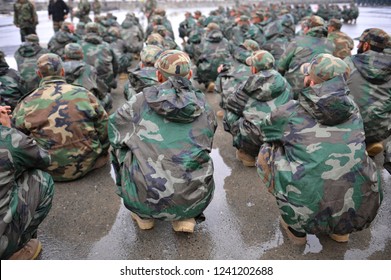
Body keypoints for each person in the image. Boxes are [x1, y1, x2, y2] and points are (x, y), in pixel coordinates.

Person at [256, 53, 382, 245]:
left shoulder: (290, 111)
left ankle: (296, 228)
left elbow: (264, 132)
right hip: (356, 211)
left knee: (268, 149)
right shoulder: (354, 110)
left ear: (311, 80)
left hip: (304, 211)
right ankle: (341, 229)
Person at [109, 50, 217, 233]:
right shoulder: (204, 106)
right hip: (193, 199)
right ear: (190, 75)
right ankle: (185, 215)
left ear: (158, 75)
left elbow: (114, 131)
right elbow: (208, 141)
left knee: (120, 148)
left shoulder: (139, 101)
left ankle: (144, 214)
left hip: (145, 197)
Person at [12, 53, 110, 182]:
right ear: (62, 71)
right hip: (89, 163)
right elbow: (104, 125)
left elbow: (17, 137)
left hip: (50, 170)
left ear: (39, 74)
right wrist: (103, 150)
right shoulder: (84, 93)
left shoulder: (26, 103)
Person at [0, 105, 54, 260]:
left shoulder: (26, 101)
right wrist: (8, 129)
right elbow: (45, 160)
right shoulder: (8, 139)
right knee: (41, 178)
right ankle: (15, 250)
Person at [223, 50, 293, 167]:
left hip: (255, 135)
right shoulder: (286, 84)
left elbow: (231, 104)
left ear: (254, 69)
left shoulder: (247, 85)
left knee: (230, 115)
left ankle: (248, 153)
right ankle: (276, 152)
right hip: (280, 134)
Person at [344, 28, 391, 172]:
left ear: (366, 45)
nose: (357, 46)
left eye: (360, 43)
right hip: (380, 129)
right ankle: (382, 148)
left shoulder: (348, 62)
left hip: (351, 127)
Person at [278, 15, 334, 99]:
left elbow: (281, 65)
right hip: (318, 90)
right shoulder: (330, 45)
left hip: (295, 87)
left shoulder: (297, 41)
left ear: (308, 28)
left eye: (304, 27)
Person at [63, 43, 112, 112]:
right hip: (84, 108)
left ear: (65, 56)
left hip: (61, 106)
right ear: (82, 55)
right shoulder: (90, 69)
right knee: (108, 97)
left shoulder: (59, 69)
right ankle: (101, 121)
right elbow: (102, 90)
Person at [80, 22, 118, 92]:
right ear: (98, 31)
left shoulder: (79, 45)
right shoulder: (106, 45)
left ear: (85, 31)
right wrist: (113, 78)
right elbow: (115, 65)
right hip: (105, 82)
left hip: (84, 82)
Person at [196, 22, 232, 92]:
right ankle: (221, 83)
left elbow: (199, 53)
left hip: (208, 69)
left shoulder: (205, 41)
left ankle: (209, 82)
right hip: (224, 68)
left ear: (209, 30)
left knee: (199, 65)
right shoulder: (225, 41)